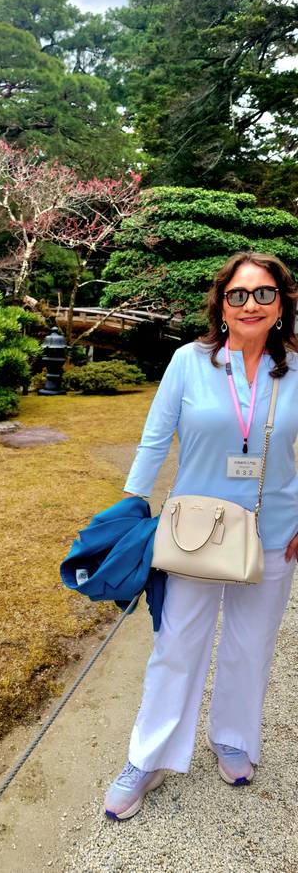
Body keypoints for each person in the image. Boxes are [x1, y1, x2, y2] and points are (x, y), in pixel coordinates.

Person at [104, 252, 298, 821]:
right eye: (238, 294)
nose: (251, 305)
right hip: (195, 531)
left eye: (265, 293)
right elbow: (155, 436)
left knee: (251, 643)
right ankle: (149, 755)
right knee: (176, 646)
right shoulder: (190, 361)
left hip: (273, 531)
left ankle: (233, 736)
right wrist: (132, 504)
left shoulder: (295, 367)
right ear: (222, 304)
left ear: (283, 303)